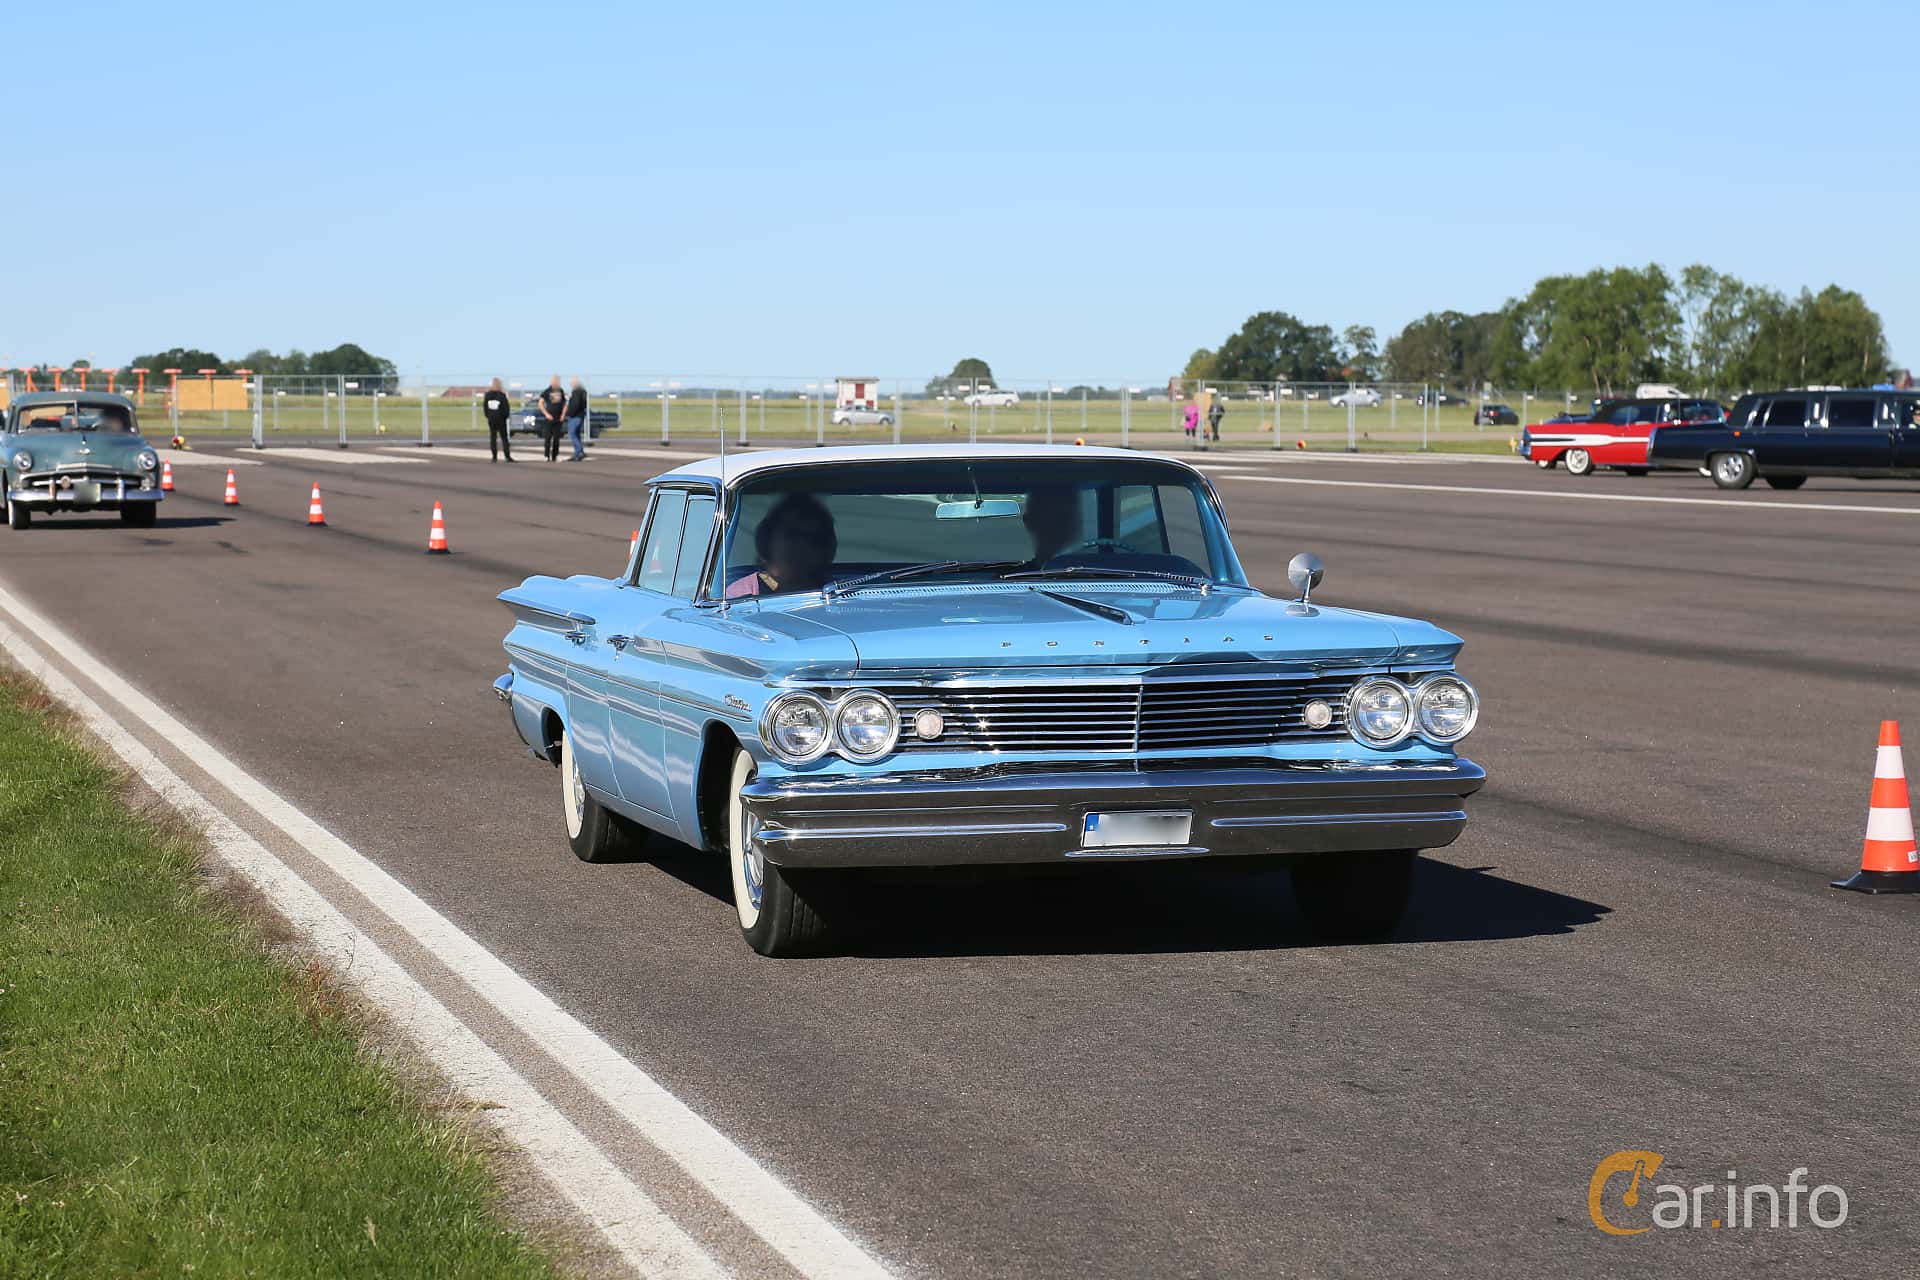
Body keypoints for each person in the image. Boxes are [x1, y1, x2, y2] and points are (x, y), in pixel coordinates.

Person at [726, 493, 837, 597]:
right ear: (767, 540)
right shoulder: (739, 596)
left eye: (814, 539)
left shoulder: (837, 593)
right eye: (793, 535)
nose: (803, 546)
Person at [1021, 485, 1081, 564]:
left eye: (1065, 516)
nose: (1060, 525)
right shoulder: (1092, 568)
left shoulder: (1093, 568)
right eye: (1058, 516)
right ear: (1029, 520)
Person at [482, 378, 514, 462]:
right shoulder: (501, 395)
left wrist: (488, 416)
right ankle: (507, 456)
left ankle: (494, 457)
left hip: (491, 419)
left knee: (493, 437)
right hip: (500, 420)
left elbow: (485, 407)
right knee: (504, 438)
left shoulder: (488, 395)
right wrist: (505, 417)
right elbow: (506, 408)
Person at [538, 375, 566, 462]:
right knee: (548, 438)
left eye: (557, 381)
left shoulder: (561, 391)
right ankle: (547, 455)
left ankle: (555, 455)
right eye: (554, 380)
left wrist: (563, 415)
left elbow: (565, 405)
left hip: (558, 419)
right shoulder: (547, 391)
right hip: (549, 419)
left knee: (556, 439)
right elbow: (540, 403)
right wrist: (546, 414)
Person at [564, 377, 589, 462]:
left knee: (573, 434)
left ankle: (579, 452)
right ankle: (578, 452)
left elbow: (575, 404)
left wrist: (570, 413)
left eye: (572, 383)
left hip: (575, 416)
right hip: (580, 415)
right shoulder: (583, 392)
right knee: (576, 434)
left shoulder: (576, 392)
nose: (571, 385)